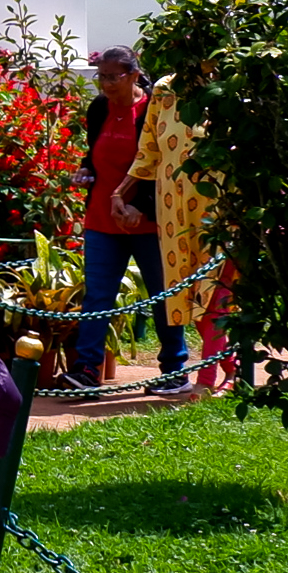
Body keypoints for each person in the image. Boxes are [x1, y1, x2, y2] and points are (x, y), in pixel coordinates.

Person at [126, 62, 226, 392]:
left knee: (215, 293)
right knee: (186, 293)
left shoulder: (230, 87)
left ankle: (209, 379)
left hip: (218, 210)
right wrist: (120, 192)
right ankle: (232, 366)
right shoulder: (165, 88)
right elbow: (149, 149)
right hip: (172, 212)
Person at [74, 47, 169, 389]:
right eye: (101, 76)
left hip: (145, 221)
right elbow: (94, 153)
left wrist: (139, 207)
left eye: (113, 77)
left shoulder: (152, 110)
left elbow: (159, 165)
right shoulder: (99, 108)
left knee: (161, 294)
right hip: (102, 219)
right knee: (97, 297)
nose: (106, 84)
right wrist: (85, 170)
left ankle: (173, 369)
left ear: (133, 75)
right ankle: (86, 371)